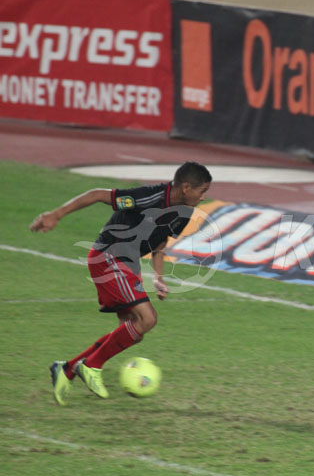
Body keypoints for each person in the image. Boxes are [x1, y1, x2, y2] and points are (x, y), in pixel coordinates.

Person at [30, 162, 212, 405]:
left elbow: (160, 243)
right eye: (203, 191)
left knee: (133, 331)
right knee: (147, 319)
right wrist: (56, 214)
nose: (204, 197)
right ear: (187, 187)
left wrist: (158, 277)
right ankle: (92, 366)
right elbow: (96, 194)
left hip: (127, 265)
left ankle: (66, 370)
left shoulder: (185, 211)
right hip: (108, 257)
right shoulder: (148, 197)